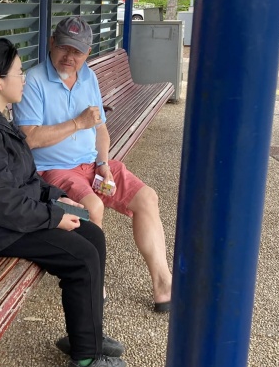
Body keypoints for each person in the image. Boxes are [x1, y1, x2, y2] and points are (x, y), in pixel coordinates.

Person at [0, 35, 126, 367]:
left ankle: (87, 336)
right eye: (19, 72)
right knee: (82, 257)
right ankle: (85, 364)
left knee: (92, 234)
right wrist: (54, 217)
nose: (24, 79)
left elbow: (24, 179)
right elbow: (4, 204)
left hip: (4, 218)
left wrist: (58, 198)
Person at [12, 17, 173, 312]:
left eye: (77, 51)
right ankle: (93, 284)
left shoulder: (89, 77)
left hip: (92, 164)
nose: (69, 57)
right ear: (51, 43)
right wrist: (77, 123)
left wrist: (103, 163)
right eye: (64, 47)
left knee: (147, 198)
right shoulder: (33, 81)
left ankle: (163, 283)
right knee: (92, 206)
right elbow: (30, 138)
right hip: (52, 170)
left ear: (87, 52)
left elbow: (100, 129)